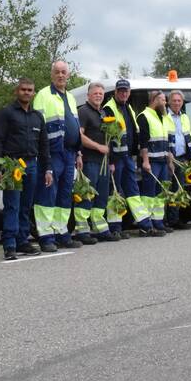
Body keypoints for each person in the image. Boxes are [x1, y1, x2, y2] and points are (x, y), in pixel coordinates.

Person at [0, 78, 51, 260]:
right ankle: (9, 244)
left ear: (34, 93)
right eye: (23, 89)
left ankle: (22, 241)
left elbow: (44, 145)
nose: (26, 92)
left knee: (26, 206)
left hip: (31, 165)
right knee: (12, 205)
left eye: (30, 90)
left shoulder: (37, 117)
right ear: (16, 91)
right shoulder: (6, 113)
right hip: (12, 165)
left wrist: (48, 169)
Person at [34, 60, 83, 251]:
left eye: (64, 72)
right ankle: (46, 237)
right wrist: (43, 156)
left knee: (64, 195)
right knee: (48, 193)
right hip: (53, 152)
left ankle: (62, 233)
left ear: (68, 75)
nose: (61, 75)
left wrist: (78, 152)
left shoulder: (70, 97)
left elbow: (75, 126)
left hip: (70, 153)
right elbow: (38, 128)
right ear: (52, 75)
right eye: (57, 72)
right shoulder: (43, 95)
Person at [104, 79, 150, 236]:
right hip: (116, 159)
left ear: (129, 92)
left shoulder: (127, 107)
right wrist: (110, 161)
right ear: (115, 92)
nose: (123, 93)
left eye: (126, 91)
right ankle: (115, 229)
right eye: (121, 91)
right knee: (115, 193)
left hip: (128, 158)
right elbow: (107, 138)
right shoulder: (109, 109)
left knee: (133, 191)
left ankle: (145, 225)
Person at [76, 82, 113, 242]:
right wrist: (99, 147)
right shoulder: (83, 112)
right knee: (87, 196)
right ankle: (82, 231)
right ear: (88, 95)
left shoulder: (103, 113)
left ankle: (100, 229)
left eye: (100, 93)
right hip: (89, 160)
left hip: (104, 162)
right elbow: (80, 136)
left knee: (102, 197)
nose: (98, 95)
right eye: (95, 93)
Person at [137, 90, 170, 236]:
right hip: (151, 161)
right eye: (162, 100)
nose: (165, 102)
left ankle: (158, 222)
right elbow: (143, 142)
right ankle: (146, 225)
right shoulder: (144, 116)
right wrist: (145, 161)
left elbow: (164, 140)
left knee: (160, 194)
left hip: (162, 160)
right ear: (154, 99)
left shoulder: (161, 116)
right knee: (148, 194)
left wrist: (169, 159)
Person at [165, 89, 191, 228]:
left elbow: (188, 137)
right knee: (167, 189)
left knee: (178, 189)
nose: (176, 103)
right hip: (169, 157)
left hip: (181, 158)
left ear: (182, 102)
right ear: (169, 101)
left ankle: (175, 220)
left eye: (179, 101)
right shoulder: (164, 116)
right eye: (174, 100)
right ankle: (164, 220)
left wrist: (188, 157)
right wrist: (169, 155)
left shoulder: (185, 117)